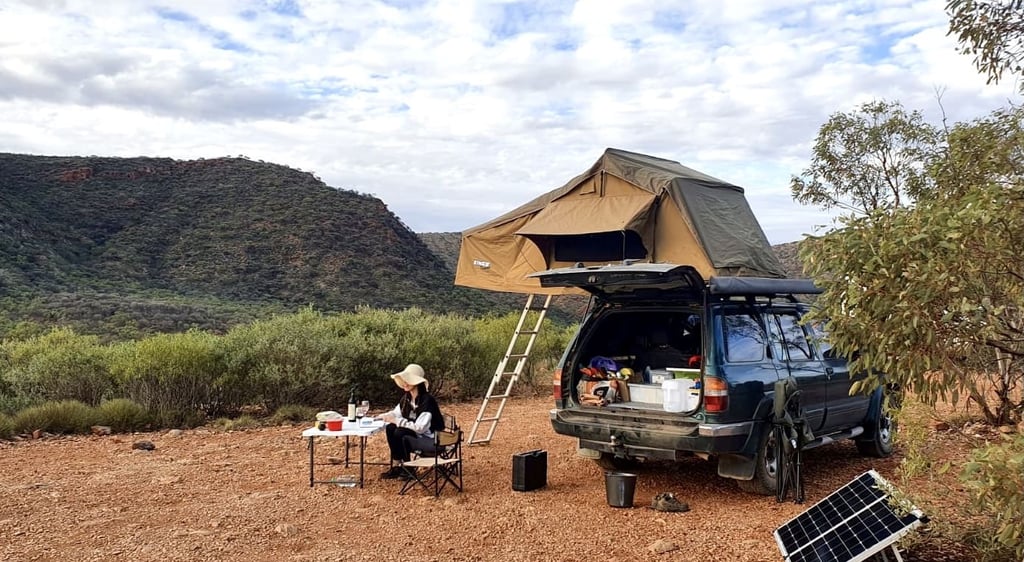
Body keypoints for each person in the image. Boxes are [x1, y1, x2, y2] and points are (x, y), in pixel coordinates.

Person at [378, 363, 445, 479]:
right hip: (418, 435)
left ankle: (408, 469)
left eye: (408, 380)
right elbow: (396, 413)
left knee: (400, 432)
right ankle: (397, 465)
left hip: (431, 439)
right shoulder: (407, 398)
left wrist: (397, 421)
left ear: (417, 382)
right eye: (404, 380)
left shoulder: (427, 401)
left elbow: (420, 428)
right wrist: (384, 416)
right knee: (390, 428)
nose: (405, 383)